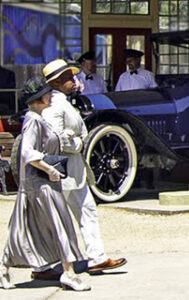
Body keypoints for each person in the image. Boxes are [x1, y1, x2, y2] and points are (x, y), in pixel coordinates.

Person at [0, 77, 90, 291]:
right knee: (61, 224)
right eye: (46, 93)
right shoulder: (34, 120)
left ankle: (2, 266)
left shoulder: (37, 118)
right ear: (38, 98)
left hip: (37, 184)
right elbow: (27, 152)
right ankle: (69, 272)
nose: (50, 95)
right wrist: (50, 168)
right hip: (41, 184)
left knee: (25, 228)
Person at [36, 59, 127, 280]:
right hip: (61, 170)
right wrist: (77, 143)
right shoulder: (55, 106)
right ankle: (43, 265)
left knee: (87, 211)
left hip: (74, 170)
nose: (73, 81)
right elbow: (53, 139)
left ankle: (96, 257)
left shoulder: (63, 102)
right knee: (55, 217)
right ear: (57, 82)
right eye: (68, 77)